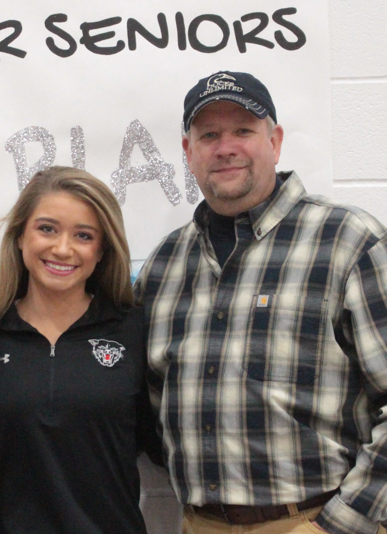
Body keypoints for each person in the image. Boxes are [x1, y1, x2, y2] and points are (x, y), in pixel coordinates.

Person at [134, 70, 387, 534]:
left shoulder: (348, 241)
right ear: (188, 153)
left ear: (275, 141)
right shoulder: (164, 265)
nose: (225, 146)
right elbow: (152, 405)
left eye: (243, 131)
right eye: (209, 134)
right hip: (199, 523)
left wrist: (341, 524)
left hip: (314, 520)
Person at [0, 166, 160, 534]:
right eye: (47, 228)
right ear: (19, 236)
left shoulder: (135, 331)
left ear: (102, 250)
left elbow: (158, 441)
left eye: (83, 235)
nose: (62, 248)